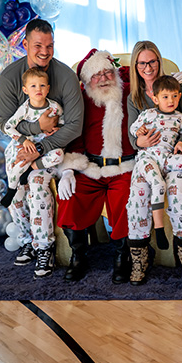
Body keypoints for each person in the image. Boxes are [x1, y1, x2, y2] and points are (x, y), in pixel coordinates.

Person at [0, 18, 84, 279]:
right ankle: (28, 239)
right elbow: (5, 122)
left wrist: (42, 146)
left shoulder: (66, 77)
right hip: (21, 146)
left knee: (35, 184)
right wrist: (36, 129)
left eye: (50, 45)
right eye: (38, 45)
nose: (44, 52)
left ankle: (45, 248)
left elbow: (75, 126)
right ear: (25, 45)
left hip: (52, 151)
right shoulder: (10, 77)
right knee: (15, 188)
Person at [55, 49, 136, 284]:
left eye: (107, 72)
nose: (103, 79)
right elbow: (73, 136)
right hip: (90, 167)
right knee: (70, 197)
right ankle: (78, 256)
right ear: (87, 81)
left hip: (125, 167)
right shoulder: (80, 99)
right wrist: (68, 170)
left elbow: (151, 77)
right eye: (96, 75)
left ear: (115, 72)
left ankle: (123, 256)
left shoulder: (130, 90)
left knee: (125, 200)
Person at [126, 40, 182, 286]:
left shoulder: (176, 85)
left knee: (178, 190)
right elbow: (132, 134)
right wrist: (139, 142)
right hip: (149, 158)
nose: (148, 67)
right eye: (142, 63)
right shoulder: (134, 98)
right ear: (135, 66)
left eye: (152, 62)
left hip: (177, 155)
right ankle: (139, 257)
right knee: (138, 193)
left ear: (159, 61)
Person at [129, 75, 182, 251]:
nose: (170, 101)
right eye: (165, 97)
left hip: (167, 157)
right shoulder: (148, 114)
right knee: (158, 184)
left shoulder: (180, 117)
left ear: (179, 96)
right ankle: (159, 229)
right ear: (155, 99)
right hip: (148, 158)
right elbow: (133, 128)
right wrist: (139, 131)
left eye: (174, 96)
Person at [0, 67, 64, 208]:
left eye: (42, 85)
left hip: (46, 145)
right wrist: (24, 140)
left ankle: (30, 169)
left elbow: (63, 121)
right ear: (25, 90)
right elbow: (8, 127)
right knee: (17, 166)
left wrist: (58, 128)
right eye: (33, 86)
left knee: (59, 155)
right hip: (28, 144)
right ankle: (11, 190)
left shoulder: (55, 107)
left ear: (48, 89)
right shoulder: (25, 109)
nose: (38, 89)